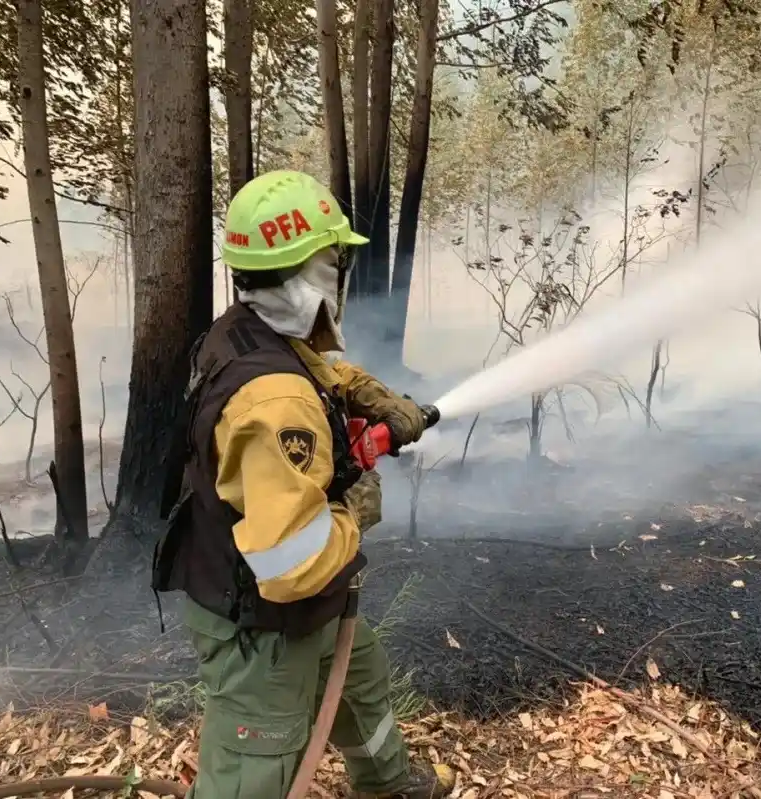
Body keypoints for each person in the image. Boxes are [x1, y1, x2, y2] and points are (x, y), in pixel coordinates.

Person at [152, 169, 455, 799]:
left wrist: (369, 393)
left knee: (360, 684)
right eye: (335, 259)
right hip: (261, 626)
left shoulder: (244, 330)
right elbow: (289, 564)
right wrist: (354, 511)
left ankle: (387, 785)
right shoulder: (278, 403)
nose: (340, 272)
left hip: (307, 604)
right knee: (255, 768)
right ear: (316, 268)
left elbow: (315, 368)